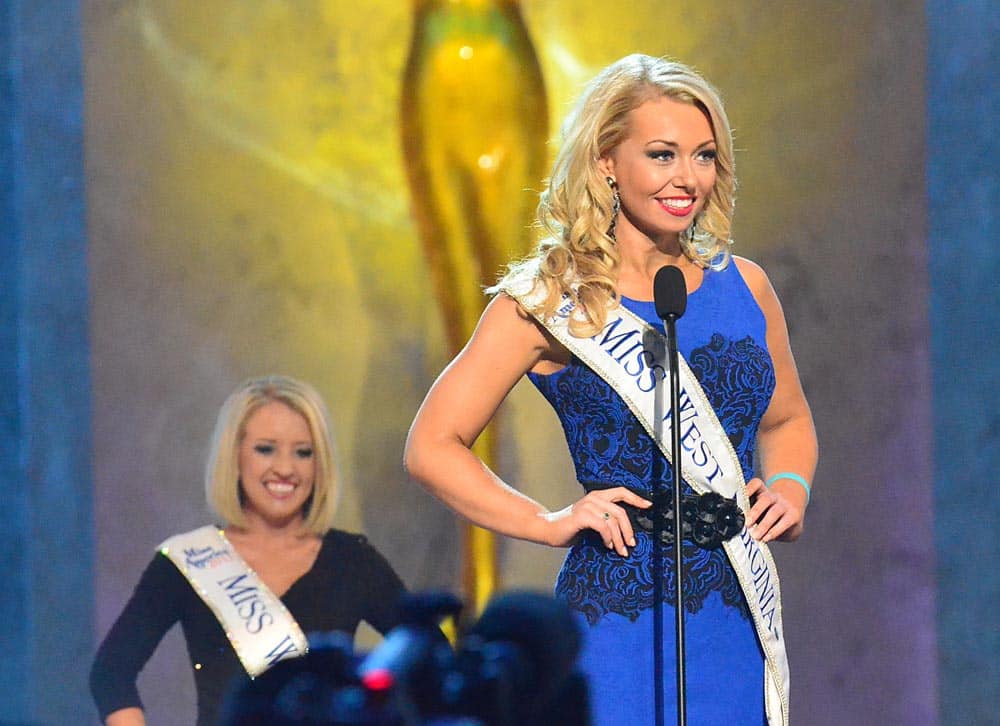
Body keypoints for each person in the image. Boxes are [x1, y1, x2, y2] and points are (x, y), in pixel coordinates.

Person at [404, 54, 817, 725]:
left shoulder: (748, 286)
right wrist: (544, 522)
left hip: (734, 614)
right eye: (662, 155)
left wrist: (791, 489)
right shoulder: (549, 300)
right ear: (605, 161)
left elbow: (788, 420)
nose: (689, 178)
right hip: (616, 614)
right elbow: (432, 446)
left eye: (705, 156)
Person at [90, 375, 406, 726]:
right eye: (266, 449)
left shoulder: (352, 561)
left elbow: (428, 658)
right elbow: (111, 675)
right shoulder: (188, 561)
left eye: (303, 452)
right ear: (235, 456)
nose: (285, 468)